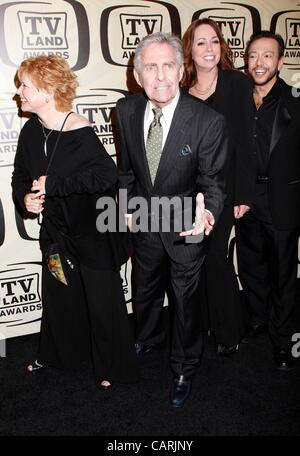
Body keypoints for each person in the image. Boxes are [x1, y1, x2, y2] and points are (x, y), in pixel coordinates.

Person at [12, 55, 138, 388]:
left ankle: (112, 368)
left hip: (92, 233)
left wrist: (55, 186)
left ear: (48, 89)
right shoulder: (30, 130)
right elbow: (20, 175)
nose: (19, 93)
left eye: (25, 85)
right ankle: (59, 355)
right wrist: (26, 196)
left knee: (102, 302)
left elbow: (105, 175)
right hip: (56, 234)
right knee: (60, 294)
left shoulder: (78, 130)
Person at [116, 32, 228, 407]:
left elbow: (212, 182)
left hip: (186, 224)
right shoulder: (126, 111)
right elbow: (127, 171)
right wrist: (127, 206)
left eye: (168, 66)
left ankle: (184, 367)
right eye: (151, 67)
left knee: (184, 302)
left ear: (181, 71)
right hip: (146, 223)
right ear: (137, 74)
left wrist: (207, 212)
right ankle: (146, 339)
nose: (160, 76)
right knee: (145, 288)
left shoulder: (207, 121)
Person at [181, 18, 253, 355]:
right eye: (201, 43)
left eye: (214, 41)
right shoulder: (183, 93)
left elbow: (246, 144)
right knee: (197, 256)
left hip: (225, 190)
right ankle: (210, 322)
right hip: (191, 190)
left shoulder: (237, 85)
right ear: (190, 51)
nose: (209, 49)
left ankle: (229, 331)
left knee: (214, 255)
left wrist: (242, 193)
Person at [236, 31, 300, 370]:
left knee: (283, 275)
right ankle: (258, 319)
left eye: (267, 56)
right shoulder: (238, 98)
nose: (259, 62)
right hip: (246, 198)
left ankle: (283, 339)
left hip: (283, 199)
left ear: (280, 61)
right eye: (254, 55)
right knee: (252, 267)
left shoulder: (294, 99)